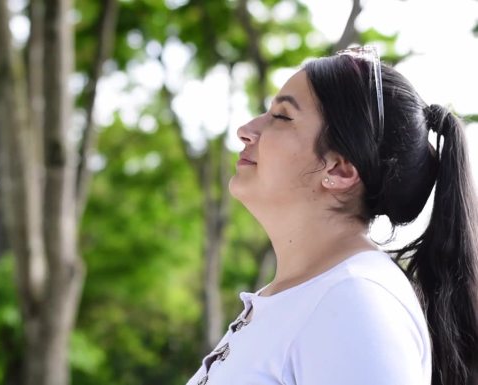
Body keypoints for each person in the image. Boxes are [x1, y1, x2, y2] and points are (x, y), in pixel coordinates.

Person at [185, 46, 478, 385]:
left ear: (339, 170)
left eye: (282, 116)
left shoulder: (354, 302)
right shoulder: (307, 295)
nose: (247, 129)